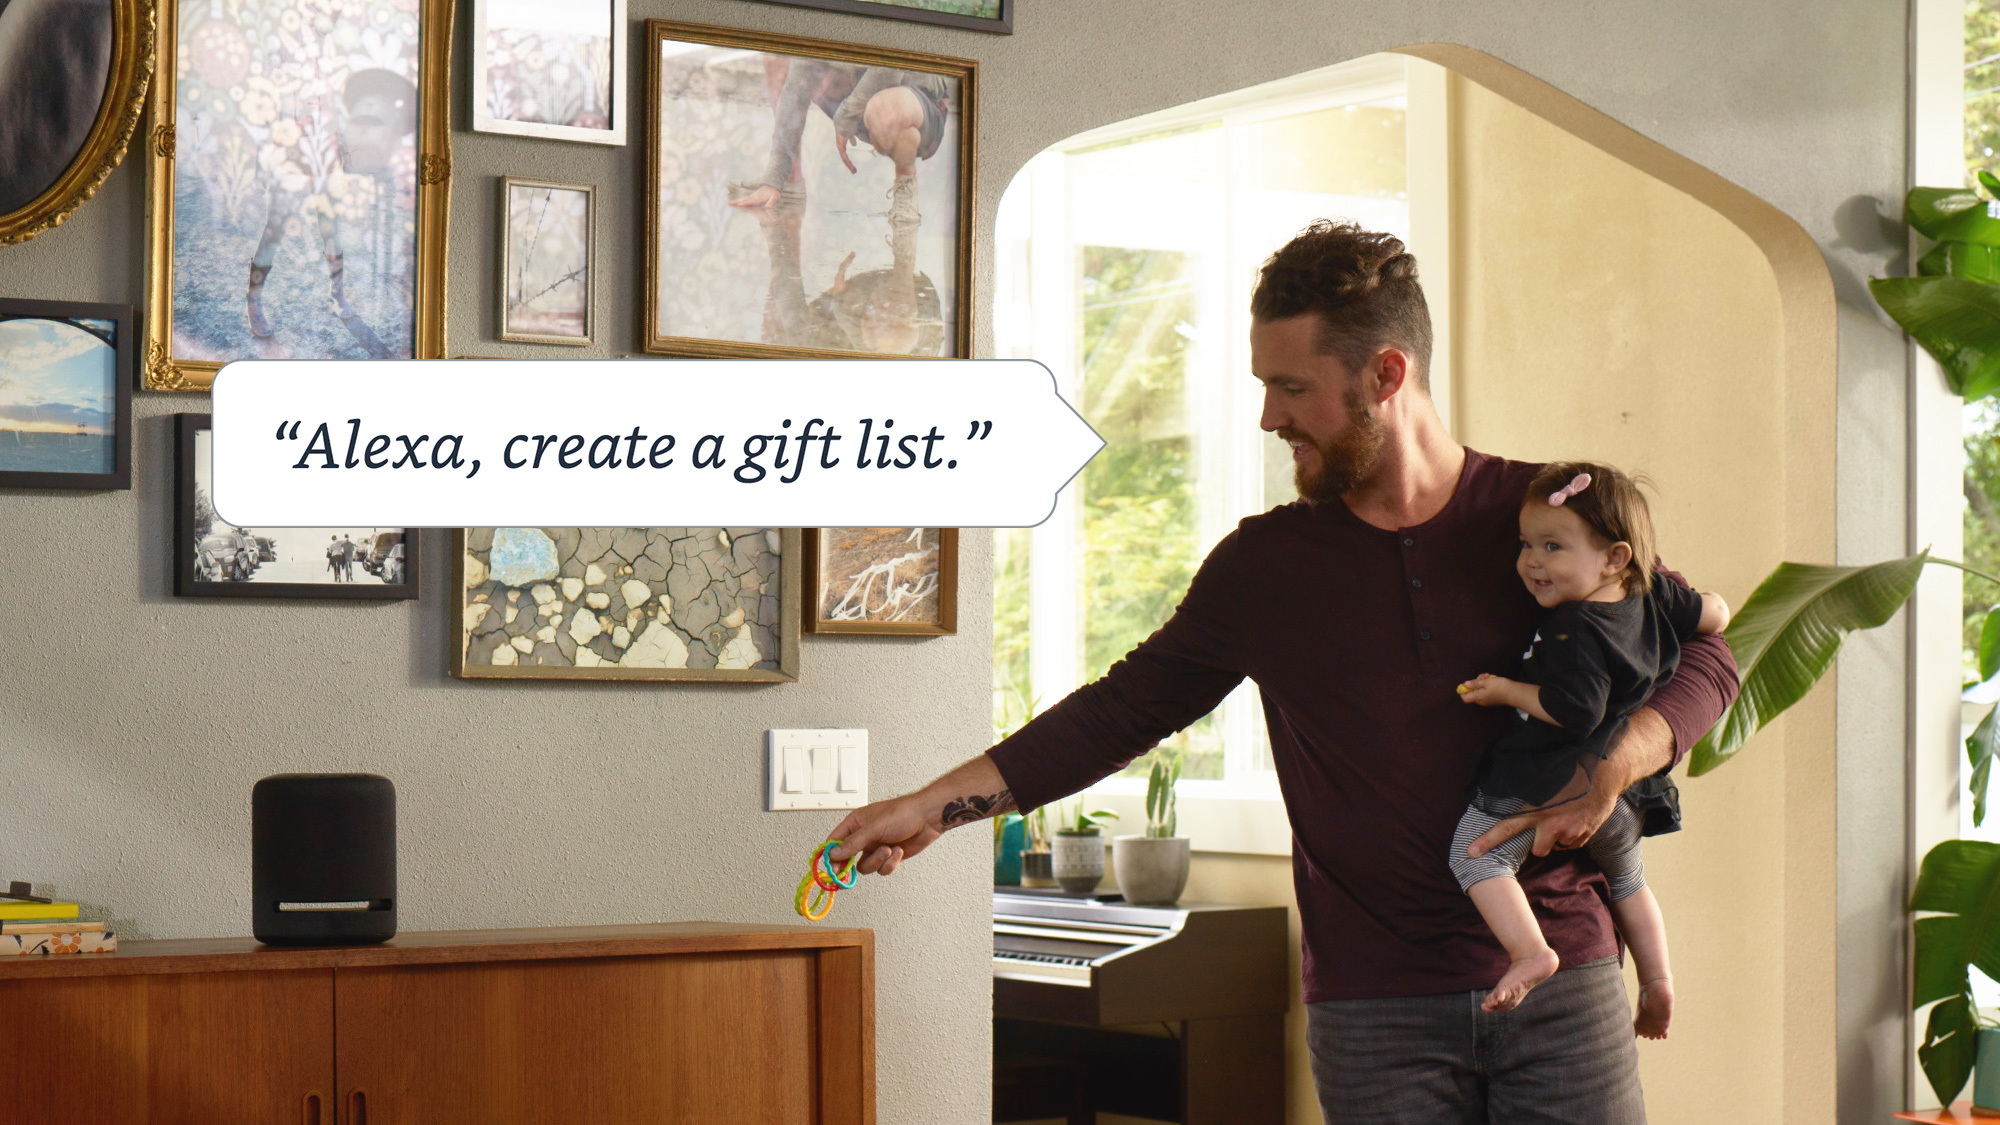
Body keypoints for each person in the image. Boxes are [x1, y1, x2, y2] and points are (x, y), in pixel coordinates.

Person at [826, 219, 1739, 1123]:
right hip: (1374, 1009)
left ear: (1387, 374)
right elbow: (1119, 711)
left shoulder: (1548, 517)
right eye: (1265, 387)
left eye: (1292, 387)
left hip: (1564, 981)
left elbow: (1707, 651)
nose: (1269, 417)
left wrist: (1622, 759)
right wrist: (932, 807)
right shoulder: (1265, 567)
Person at [1449, 461, 1730, 1040]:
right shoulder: (1654, 594)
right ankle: (1656, 977)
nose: (1532, 562)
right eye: (1527, 544)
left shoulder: (1573, 626)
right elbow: (1715, 617)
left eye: (1554, 546)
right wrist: (1713, 604)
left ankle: (1531, 953)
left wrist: (1504, 690)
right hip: (1626, 798)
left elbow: (1575, 708)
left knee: (1474, 856)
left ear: (1615, 557)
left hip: (1558, 779)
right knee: (1627, 879)